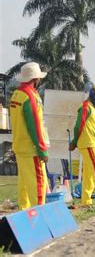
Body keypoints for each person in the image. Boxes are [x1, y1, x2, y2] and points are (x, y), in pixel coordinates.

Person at [9, 62, 49, 210]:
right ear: (36, 79)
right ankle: (40, 216)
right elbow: (35, 126)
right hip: (31, 148)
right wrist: (42, 149)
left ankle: (25, 213)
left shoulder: (16, 94)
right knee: (38, 185)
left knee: (24, 184)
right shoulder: (30, 96)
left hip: (19, 146)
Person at [69, 84, 95, 205]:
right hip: (89, 144)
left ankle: (86, 200)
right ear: (94, 96)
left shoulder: (90, 107)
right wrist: (74, 142)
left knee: (89, 173)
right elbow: (78, 126)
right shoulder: (86, 107)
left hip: (91, 144)